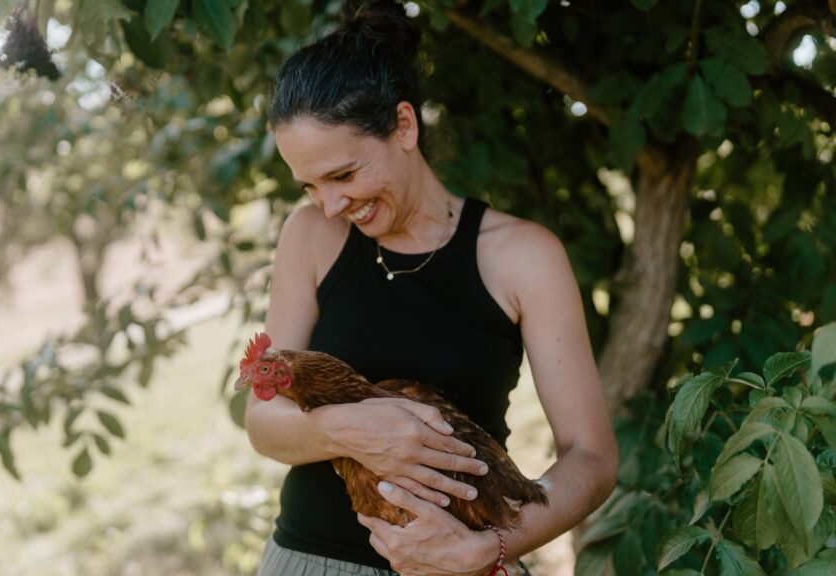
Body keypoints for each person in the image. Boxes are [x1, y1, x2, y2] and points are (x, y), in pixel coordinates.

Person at [243, 1, 618, 574]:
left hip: (467, 563)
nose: (331, 204)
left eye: (343, 175)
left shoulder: (523, 256)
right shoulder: (311, 235)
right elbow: (263, 422)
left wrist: (486, 549)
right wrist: (347, 429)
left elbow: (591, 457)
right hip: (313, 561)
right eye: (309, 186)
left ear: (404, 126)